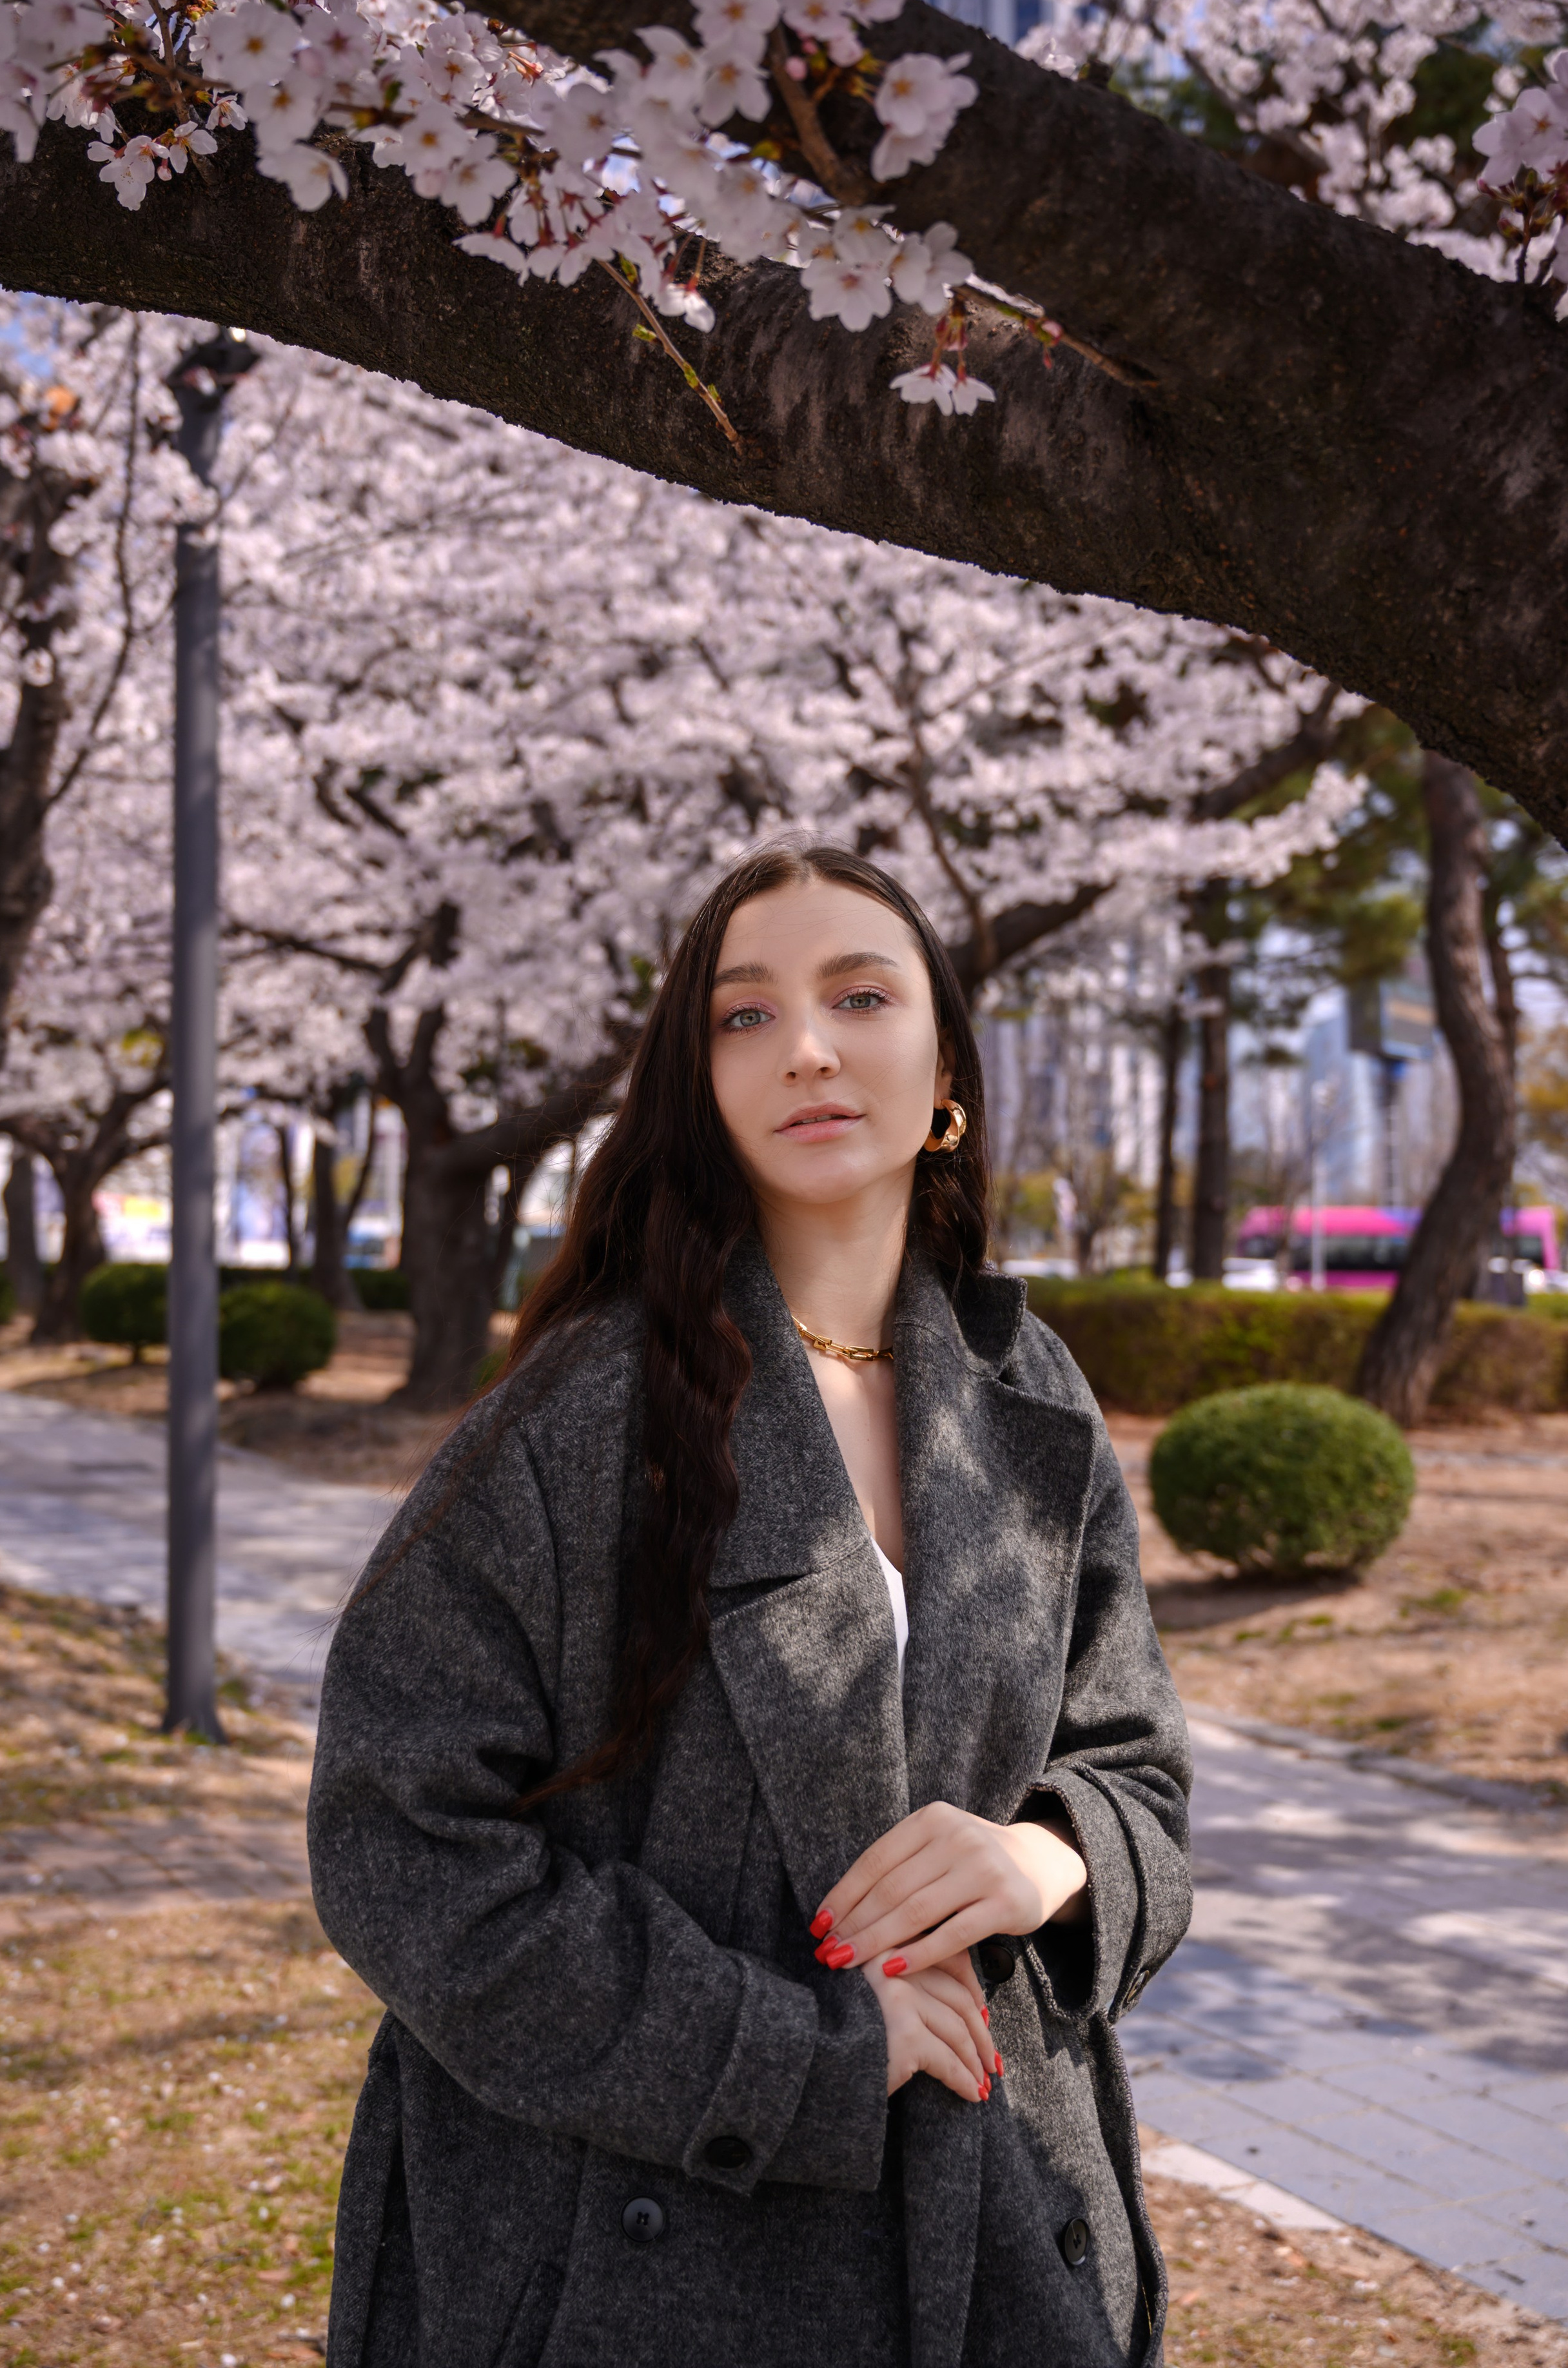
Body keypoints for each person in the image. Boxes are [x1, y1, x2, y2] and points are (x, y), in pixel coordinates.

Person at [309, 842, 1192, 2368]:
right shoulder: (583, 1420)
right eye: (742, 1016)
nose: (804, 1047)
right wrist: (784, 2055)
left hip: (1000, 2222)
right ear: (695, 1083)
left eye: (859, 994)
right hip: (633, 2249)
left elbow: (1138, 1771)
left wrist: (1044, 1860)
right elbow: (399, 1839)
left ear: (944, 1072)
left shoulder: (1026, 1395)